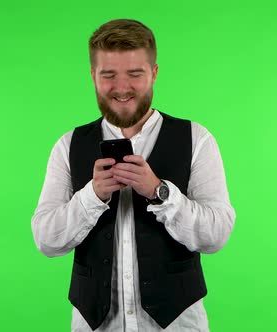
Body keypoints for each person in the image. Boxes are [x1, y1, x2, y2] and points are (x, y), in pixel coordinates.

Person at [31, 19, 236, 331]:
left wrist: (159, 191)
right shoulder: (67, 145)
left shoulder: (197, 138)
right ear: (92, 76)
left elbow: (218, 233)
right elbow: (46, 239)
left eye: (135, 74)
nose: (122, 88)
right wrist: (91, 196)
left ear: (153, 74)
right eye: (108, 75)